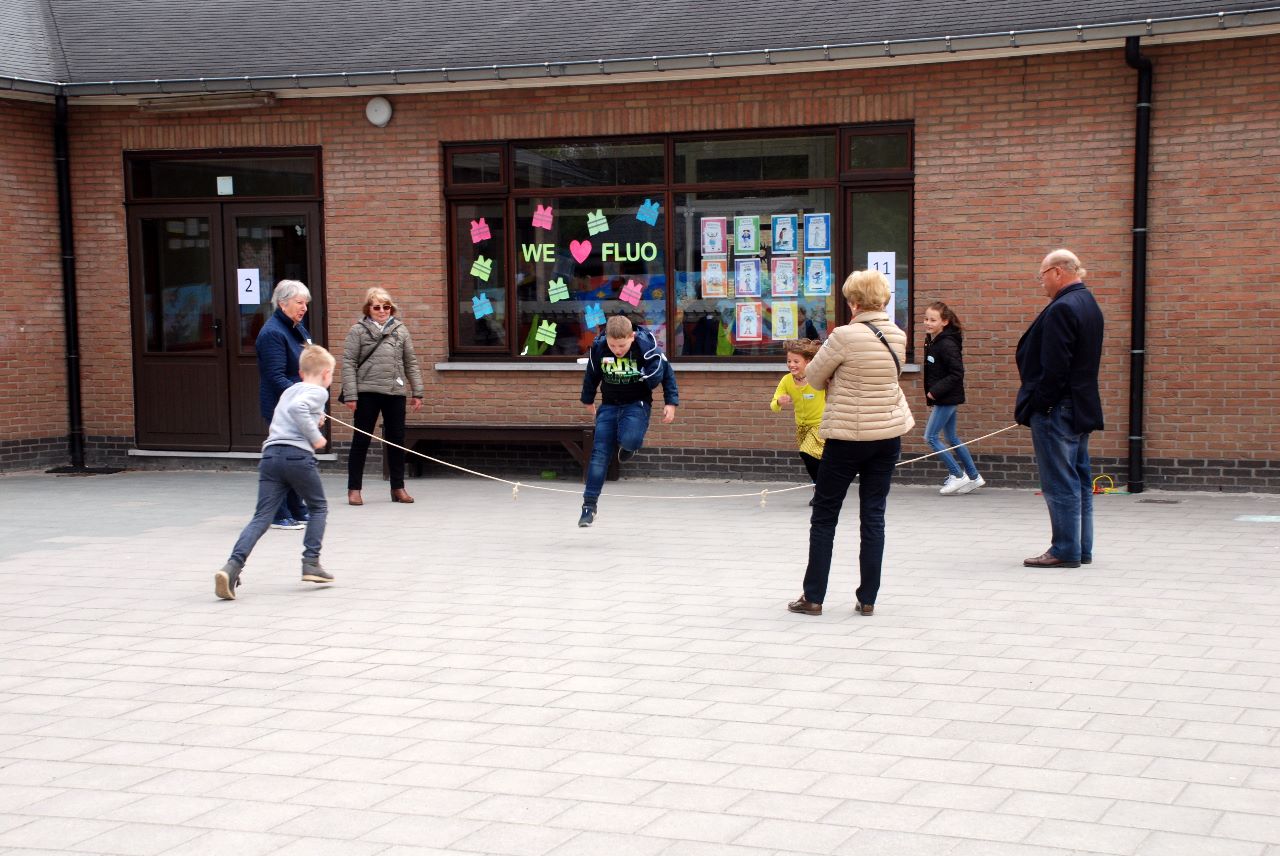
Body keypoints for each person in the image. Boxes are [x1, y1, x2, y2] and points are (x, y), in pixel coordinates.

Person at [788, 269, 914, 617]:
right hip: (887, 435)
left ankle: (813, 597)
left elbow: (812, 378)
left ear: (855, 302)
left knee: (825, 516)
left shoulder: (843, 335)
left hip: (847, 436)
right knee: (874, 516)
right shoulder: (897, 335)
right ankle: (868, 598)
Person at [215, 345, 336, 600]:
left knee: (262, 517)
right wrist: (316, 437)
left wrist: (316, 420)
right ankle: (311, 562)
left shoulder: (290, 390)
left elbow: (291, 413)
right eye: (332, 376)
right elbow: (299, 411)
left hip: (271, 456)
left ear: (301, 373)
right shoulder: (318, 392)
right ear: (326, 374)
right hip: (297, 457)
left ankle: (232, 567)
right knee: (318, 508)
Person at [1016, 249, 1104, 569]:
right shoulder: (1088, 303)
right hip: (1079, 405)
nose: (1041, 283)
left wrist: (1039, 404)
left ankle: (1065, 549)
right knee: (1079, 478)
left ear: (1056, 272)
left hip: (1058, 409)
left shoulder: (1063, 307)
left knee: (1059, 481)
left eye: (1041, 276)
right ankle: (1081, 547)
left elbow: (1055, 367)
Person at [578, 315, 677, 527]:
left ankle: (629, 447)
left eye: (622, 345)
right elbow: (591, 374)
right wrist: (588, 400)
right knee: (599, 455)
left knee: (630, 439)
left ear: (632, 337)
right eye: (613, 345)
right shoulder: (599, 348)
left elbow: (666, 372)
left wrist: (671, 402)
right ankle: (589, 506)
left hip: (636, 404)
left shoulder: (645, 348)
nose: (617, 350)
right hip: (609, 405)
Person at [341, 288, 424, 506]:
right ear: (368, 309)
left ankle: (398, 487)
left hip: (394, 392)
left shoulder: (401, 330)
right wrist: (351, 395)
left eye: (386, 307)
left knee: (396, 441)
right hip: (366, 393)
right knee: (361, 441)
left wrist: (418, 391)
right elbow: (348, 363)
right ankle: (354, 489)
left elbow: (411, 362)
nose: (382, 311)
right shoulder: (357, 331)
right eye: (376, 307)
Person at [256, 279, 315, 530]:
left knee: (295, 458)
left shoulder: (297, 327)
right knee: (282, 462)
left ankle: (296, 506)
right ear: (282, 303)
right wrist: (304, 394)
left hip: (299, 404)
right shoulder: (272, 333)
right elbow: (276, 377)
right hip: (281, 407)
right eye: (299, 303)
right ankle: (277, 513)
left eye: (306, 303)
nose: (304, 308)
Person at [922, 301, 985, 495]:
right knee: (951, 437)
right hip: (945, 397)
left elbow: (957, 373)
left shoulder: (947, 344)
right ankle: (974, 477)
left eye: (933, 320)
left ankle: (957, 475)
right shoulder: (933, 340)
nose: (928, 323)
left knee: (930, 437)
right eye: (926, 319)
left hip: (946, 398)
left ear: (945, 321)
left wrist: (935, 391)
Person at [769, 338, 826, 488]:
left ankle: (821, 488)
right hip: (802, 427)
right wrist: (780, 402)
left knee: (807, 453)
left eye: (796, 361)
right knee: (811, 458)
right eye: (789, 361)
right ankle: (821, 487)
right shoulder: (786, 381)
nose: (791, 365)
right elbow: (773, 405)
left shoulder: (818, 377)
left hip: (820, 426)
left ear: (807, 361)